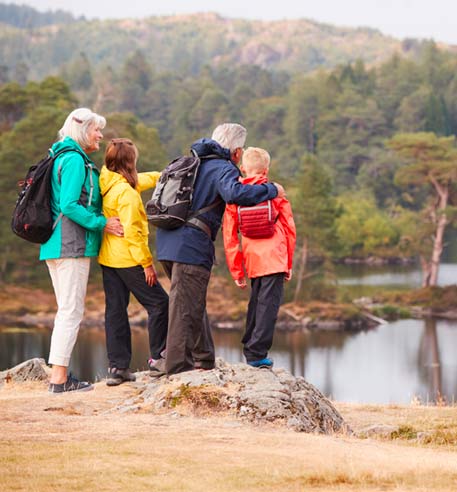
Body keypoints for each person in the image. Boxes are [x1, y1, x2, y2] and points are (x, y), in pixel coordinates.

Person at [154, 123, 285, 375]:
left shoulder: (192, 162)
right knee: (183, 307)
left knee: (191, 301)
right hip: (190, 245)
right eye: (241, 149)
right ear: (236, 151)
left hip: (168, 241)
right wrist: (272, 189)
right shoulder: (222, 168)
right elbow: (236, 193)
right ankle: (174, 367)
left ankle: (203, 357)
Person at [41, 108, 124, 394]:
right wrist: (102, 223)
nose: (100, 135)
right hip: (70, 244)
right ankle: (60, 380)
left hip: (54, 244)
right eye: (96, 130)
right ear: (82, 131)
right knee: (71, 311)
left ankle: (59, 376)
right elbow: (69, 205)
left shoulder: (59, 156)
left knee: (66, 310)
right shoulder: (75, 160)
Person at [98, 138, 169, 386]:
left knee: (115, 311)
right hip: (129, 259)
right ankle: (158, 359)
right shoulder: (127, 194)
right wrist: (147, 264)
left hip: (108, 259)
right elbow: (133, 233)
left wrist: (164, 175)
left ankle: (118, 368)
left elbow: (143, 179)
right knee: (160, 304)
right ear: (130, 162)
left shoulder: (108, 180)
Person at [223, 147, 296, 368]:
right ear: (266, 170)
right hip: (275, 257)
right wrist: (288, 263)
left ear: (243, 169)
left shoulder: (235, 197)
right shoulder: (276, 195)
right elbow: (290, 230)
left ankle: (250, 347)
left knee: (256, 304)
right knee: (268, 307)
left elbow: (230, 237)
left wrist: (236, 270)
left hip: (252, 259)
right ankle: (257, 354)